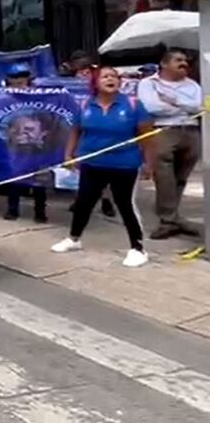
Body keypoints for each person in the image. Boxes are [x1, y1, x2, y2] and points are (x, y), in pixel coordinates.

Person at [52, 66, 155, 267]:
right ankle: (74, 239)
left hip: (125, 165)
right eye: (105, 76)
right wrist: (68, 154)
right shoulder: (84, 104)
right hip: (92, 163)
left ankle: (138, 248)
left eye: (114, 76)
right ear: (95, 83)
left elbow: (148, 138)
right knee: (83, 202)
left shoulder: (134, 105)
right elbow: (75, 130)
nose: (111, 79)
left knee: (125, 205)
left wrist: (149, 164)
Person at [137, 49, 202, 239]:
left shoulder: (193, 85)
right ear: (164, 64)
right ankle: (168, 220)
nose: (184, 63)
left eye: (185, 61)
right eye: (178, 60)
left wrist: (173, 101)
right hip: (163, 131)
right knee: (164, 177)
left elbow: (198, 107)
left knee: (181, 178)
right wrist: (184, 107)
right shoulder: (148, 84)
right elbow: (151, 107)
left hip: (191, 131)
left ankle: (172, 217)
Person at [1, 63, 48, 223]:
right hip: (14, 145)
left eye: (22, 79)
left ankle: (40, 211)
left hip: (38, 145)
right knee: (14, 178)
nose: (19, 82)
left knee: (40, 179)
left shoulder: (41, 97)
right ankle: (12, 209)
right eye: (15, 79)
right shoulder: (4, 99)